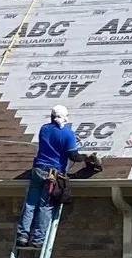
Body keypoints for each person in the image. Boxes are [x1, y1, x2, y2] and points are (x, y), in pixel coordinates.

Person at [15, 106, 98, 249]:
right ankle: (38, 239)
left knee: (30, 203)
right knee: (45, 205)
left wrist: (71, 139)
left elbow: (54, 140)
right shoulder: (68, 134)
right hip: (52, 174)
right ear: (66, 117)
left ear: (52, 117)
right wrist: (86, 157)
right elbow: (73, 156)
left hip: (38, 170)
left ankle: (23, 235)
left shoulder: (44, 129)